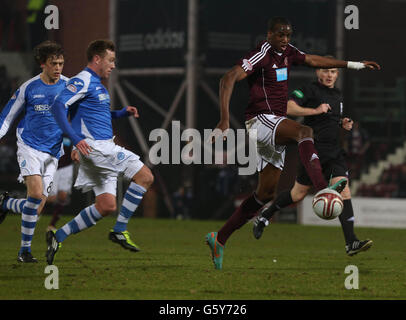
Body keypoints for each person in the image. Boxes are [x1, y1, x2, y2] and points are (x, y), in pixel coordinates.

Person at [205, 17, 380, 270]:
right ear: (269, 34)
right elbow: (227, 79)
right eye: (280, 35)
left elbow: (315, 60)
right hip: (261, 120)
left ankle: (219, 238)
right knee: (304, 131)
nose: (284, 40)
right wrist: (223, 118)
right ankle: (323, 188)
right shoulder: (262, 54)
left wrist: (353, 64)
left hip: (274, 125)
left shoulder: (287, 53)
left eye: (288, 35)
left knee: (264, 194)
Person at [46, 39, 154, 265]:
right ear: (97, 59)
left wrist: (120, 113)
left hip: (98, 150)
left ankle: (58, 236)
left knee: (107, 206)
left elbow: (93, 114)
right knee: (145, 176)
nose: (113, 65)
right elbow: (58, 106)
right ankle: (119, 230)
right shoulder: (82, 80)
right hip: (97, 148)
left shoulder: (97, 85)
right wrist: (75, 140)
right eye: (111, 60)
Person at [252, 61, 373, 256]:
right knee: (297, 194)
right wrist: (314, 111)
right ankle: (265, 215)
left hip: (334, 152)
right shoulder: (308, 90)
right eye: (325, 71)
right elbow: (289, 107)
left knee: (345, 190)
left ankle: (351, 242)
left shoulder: (337, 95)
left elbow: (330, 119)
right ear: (318, 71)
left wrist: (342, 123)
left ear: (337, 74)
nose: (329, 75)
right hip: (312, 150)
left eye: (333, 71)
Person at [0, 40, 68, 262]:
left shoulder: (69, 87)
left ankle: (5, 203)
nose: (58, 68)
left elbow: (83, 116)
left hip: (53, 153)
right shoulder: (29, 88)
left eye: (61, 63)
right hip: (29, 145)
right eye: (53, 63)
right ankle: (25, 251)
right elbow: (7, 116)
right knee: (36, 194)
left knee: (36, 207)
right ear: (42, 64)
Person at [46, 137, 74, 231]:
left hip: (67, 168)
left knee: (63, 197)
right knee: (51, 198)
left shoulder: (72, 131)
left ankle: (52, 225)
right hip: (54, 167)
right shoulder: (55, 129)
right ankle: (34, 204)